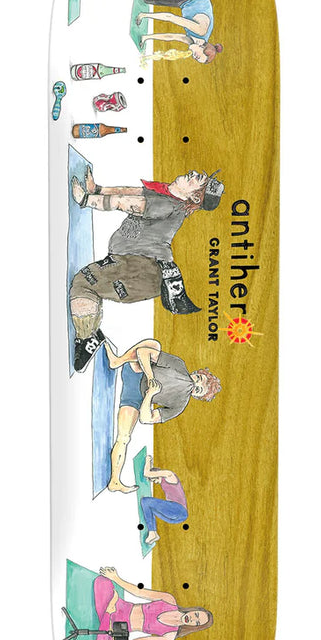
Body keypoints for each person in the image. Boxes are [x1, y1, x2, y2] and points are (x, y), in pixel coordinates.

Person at [69, 166, 224, 372]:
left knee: (83, 283)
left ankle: (86, 339)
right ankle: (92, 333)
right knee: (92, 284)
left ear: (195, 196)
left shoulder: (166, 205)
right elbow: (130, 191)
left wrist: (85, 200)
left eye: (198, 179)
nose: (193, 172)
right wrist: (98, 189)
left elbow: (121, 202)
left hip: (140, 270)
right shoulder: (166, 194)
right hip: (132, 263)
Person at [102, 338, 220, 494]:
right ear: (196, 373)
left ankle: (114, 481)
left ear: (197, 396)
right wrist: (150, 376)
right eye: (198, 378)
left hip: (134, 399)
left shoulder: (179, 405)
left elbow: (146, 418)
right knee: (154, 345)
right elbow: (142, 352)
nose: (193, 383)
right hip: (135, 371)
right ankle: (117, 361)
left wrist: (150, 395)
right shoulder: (178, 364)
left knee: (123, 438)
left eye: (197, 389)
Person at [92, 567, 212, 640]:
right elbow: (139, 592)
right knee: (102, 582)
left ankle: (107, 614)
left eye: (196, 622)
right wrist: (116, 578)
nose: (192, 618)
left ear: (194, 626)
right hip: (119, 607)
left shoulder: (169, 636)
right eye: (196, 614)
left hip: (116, 627)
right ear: (193, 610)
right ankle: (107, 614)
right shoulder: (169, 600)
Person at [135, 0, 223, 65]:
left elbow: (171, 37)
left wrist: (146, 38)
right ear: (202, 46)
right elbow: (170, 17)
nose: (193, 56)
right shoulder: (200, 31)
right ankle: (143, 11)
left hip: (185, 2)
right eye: (197, 56)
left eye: (196, 59)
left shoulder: (193, 41)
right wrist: (143, 15)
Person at [140, 453, 188, 546]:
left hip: (179, 510)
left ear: (157, 474)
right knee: (150, 509)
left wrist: (148, 460)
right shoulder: (163, 480)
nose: (155, 482)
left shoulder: (169, 475)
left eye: (154, 480)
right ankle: (154, 533)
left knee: (145, 501)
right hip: (177, 517)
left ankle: (152, 532)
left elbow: (147, 473)